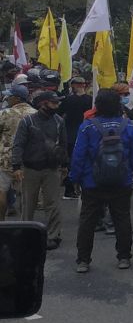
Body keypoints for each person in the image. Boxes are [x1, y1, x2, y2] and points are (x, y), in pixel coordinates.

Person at [70, 88, 133, 272]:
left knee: (87, 221)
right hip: (121, 181)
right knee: (122, 219)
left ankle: (83, 260)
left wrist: (75, 178)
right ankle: (124, 257)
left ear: (97, 105)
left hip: (92, 181)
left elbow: (78, 155)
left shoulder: (87, 126)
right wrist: (132, 172)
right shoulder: (129, 125)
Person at [13, 91, 68, 249]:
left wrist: (64, 165)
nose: (57, 106)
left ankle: (53, 235)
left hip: (52, 168)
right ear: (42, 104)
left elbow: (63, 145)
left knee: (53, 204)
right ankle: (26, 235)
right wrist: (16, 166)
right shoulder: (27, 121)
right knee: (28, 204)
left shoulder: (59, 121)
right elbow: (19, 144)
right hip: (30, 169)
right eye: (53, 103)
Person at [0, 85, 35, 220]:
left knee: (2, 190)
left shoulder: (4, 114)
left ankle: (1, 222)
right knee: (25, 195)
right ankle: (24, 223)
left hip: (5, 159)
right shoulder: (35, 114)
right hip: (27, 160)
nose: (7, 98)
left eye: (10, 96)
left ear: (16, 98)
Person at [58, 76, 92, 199]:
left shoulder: (68, 100)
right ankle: (84, 187)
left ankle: (69, 189)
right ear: (84, 86)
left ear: (73, 86)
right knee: (86, 160)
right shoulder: (90, 100)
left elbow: (58, 114)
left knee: (70, 162)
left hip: (70, 134)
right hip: (87, 134)